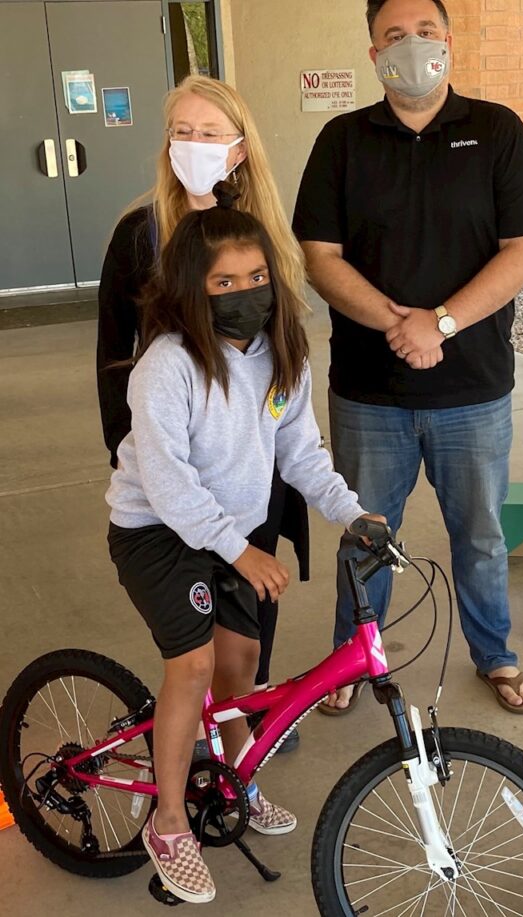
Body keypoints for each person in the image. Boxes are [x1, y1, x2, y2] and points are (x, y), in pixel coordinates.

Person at [106, 189, 374, 904]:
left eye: (256, 277)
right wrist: (239, 550)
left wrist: (351, 513)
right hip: (157, 531)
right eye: (223, 282)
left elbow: (301, 450)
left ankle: (235, 779)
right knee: (194, 664)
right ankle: (169, 821)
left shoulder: (282, 355)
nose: (245, 293)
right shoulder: (167, 366)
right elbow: (168, 485)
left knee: (243, 662)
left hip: (230, 533)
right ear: (190, 288)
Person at [292, 0, 523, 714]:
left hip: (474, 390)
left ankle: (495, 654)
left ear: (449, 41)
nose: (413, 46)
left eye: (426, 32)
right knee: (367, 537)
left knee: (482, 536)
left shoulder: (498, 132)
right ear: (373, 52)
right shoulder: (342, 140)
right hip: (370, 392)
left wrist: (440, 323)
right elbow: (319, 257)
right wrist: (400, 325)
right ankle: (351, 660)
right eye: (395, 35)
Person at [96, 76, 308, 749]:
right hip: (178, 461)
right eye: (182, 132)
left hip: (249, 462)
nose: (194, 144)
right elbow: (114, 355)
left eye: (210, 133)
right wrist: (129, 449)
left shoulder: (263, 233)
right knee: (191, 626)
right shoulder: (140, 235)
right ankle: (197, 728)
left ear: (238, 148)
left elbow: (279, 342)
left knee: (251, 594)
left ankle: (242, 709)